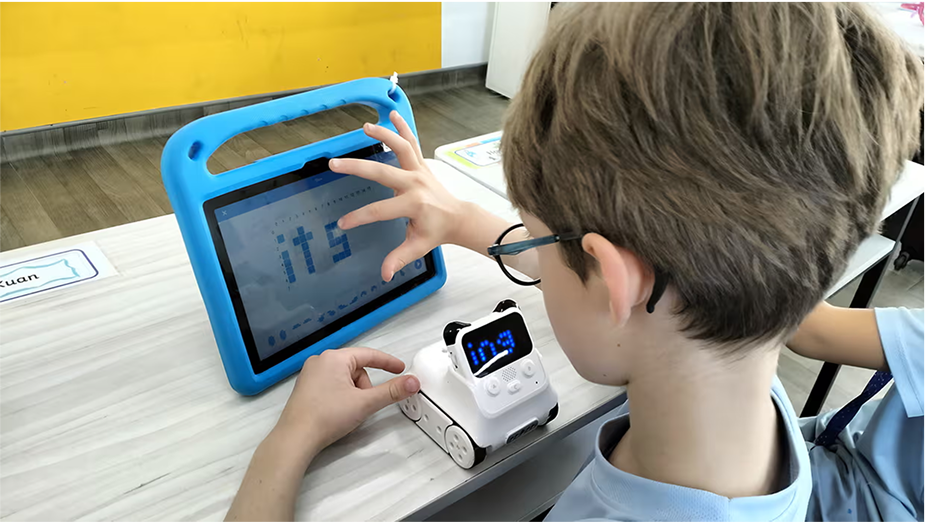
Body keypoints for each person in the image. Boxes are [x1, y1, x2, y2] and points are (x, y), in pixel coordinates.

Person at [225, 2, 925, 521]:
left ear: (614, 280)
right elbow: (637, 290)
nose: (534, 255)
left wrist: (291, 438)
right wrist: (465, 221)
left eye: (536, 242)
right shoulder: (748, 355)